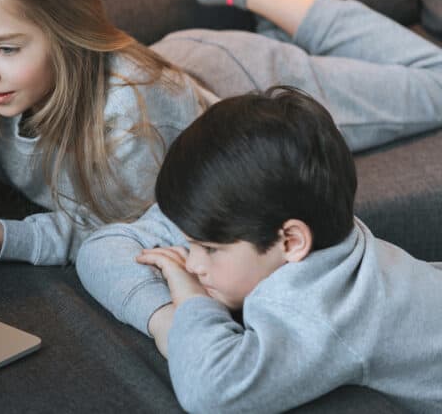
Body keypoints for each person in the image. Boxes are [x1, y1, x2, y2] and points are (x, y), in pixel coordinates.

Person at [0, 0, 442, 334]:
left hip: (243, 93)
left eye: (7, 48)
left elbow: (122, 233)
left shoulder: (128, 114)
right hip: (180, 77)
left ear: (68, 35)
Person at [124, 86, 442, 413]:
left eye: (209, 249)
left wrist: (191, 297)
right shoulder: (331, 232)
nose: (192, 264)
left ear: (291, 241)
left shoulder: (320, 314)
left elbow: (209, 391)